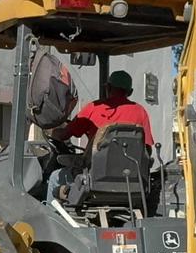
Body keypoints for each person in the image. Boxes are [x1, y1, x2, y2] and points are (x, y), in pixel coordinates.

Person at [47, 70, 155, 201]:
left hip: (95, 179)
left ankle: (50, 220)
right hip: (130, 181)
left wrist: (53, 131)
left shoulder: (94, 108)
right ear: (130, 92)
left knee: (54, 177)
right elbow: (147, 149)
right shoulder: (140, 112)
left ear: (108, 88)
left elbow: (64, 135)